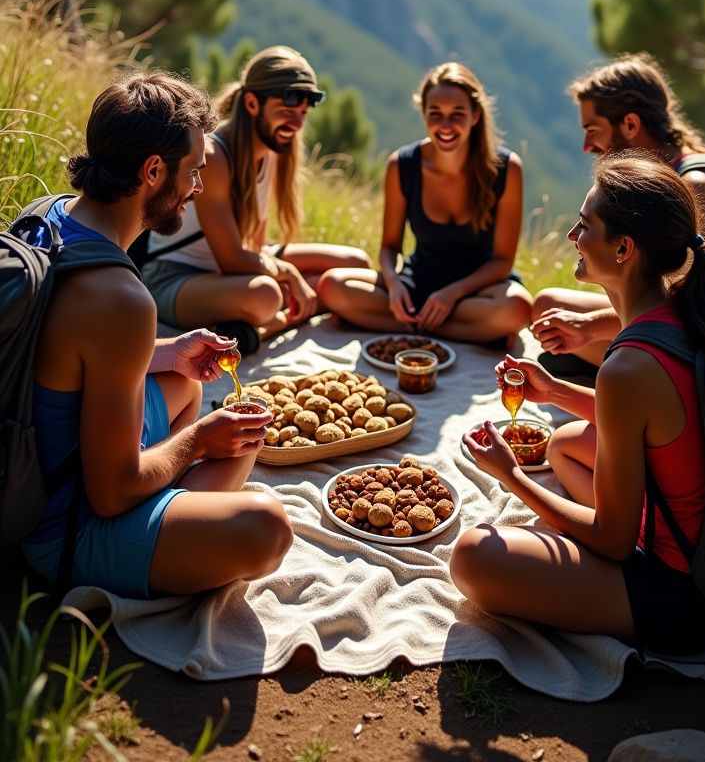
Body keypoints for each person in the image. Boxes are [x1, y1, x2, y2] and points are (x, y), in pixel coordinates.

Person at [452, 152, 705, 654]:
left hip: (685, 599)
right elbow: (661, 422)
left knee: (471, 556)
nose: (573, 236)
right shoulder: (684, 310)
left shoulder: (629, 367)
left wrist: (511, 477)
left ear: (624, 248)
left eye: (584, 225)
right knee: (565, 443)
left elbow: (614, 541)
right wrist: (552, 391)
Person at [22, 72, 293, 598]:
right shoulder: (120, 299)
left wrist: (169, 351)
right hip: (62, 527)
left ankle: (170, 509)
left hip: (41, 455)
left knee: (186, 383)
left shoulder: (55, 216)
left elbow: (65, 350)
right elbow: (111, 491)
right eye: (193, 173)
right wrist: (197, 442)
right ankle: (158, 526)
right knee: (266, 525)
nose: (196, 188)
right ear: (153, 171)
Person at [532, 53, 705, 374]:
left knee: (557, 325)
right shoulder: (667, 174)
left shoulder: (697, 185)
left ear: (631, 124)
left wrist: (590, 326)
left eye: (593, 129)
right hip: (674, 326)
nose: (586, 145)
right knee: (547, 309)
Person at [140, 47, 371, 352]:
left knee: (355, 262)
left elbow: (255, 246)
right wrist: (288, 274)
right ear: (252, 103)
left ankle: (268, 321)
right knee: (266, 295)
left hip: (227, 273)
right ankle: (281, 317)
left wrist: (285, 276)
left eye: (303, 113)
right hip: (174, 277)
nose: (298, 124)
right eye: (288, 111)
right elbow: (233, 260)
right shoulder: (215, 156)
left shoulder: (270, 148)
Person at [317, 62, 531, 342]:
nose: (445, 125)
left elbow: (502, 262)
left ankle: (408, 324)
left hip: (477, 290)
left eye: (457, 114)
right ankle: (454, 329)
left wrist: (452, 294)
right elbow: (389, 247)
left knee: (518, 308)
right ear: (423, 114)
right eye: (435, 114)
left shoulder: (506, 168)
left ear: (475, 115)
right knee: (332, 286)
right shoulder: (403, 165)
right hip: (417, 282)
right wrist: (393, 284)